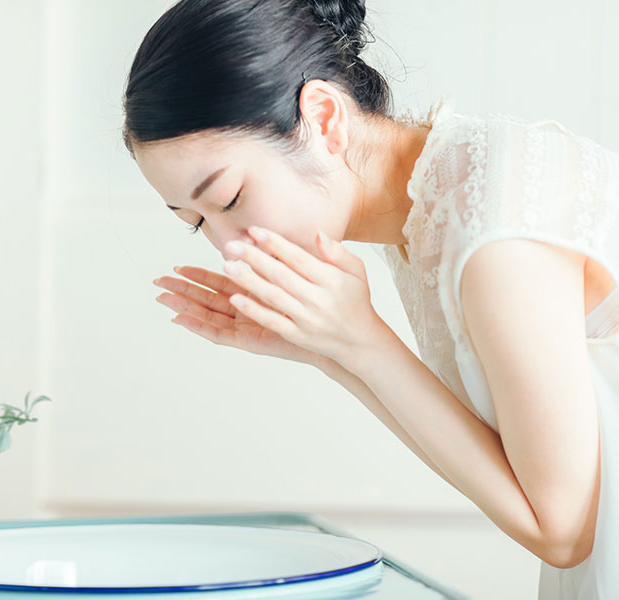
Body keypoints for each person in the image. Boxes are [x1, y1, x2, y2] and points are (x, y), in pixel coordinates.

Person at [122, 1, 619, 598]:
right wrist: (333, 352)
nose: (231, 248)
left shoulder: (493, 233)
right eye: (198, 222)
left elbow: (563, 531)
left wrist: (365, 343)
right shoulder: (432, 200)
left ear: (324, 117)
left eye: (229, 198)